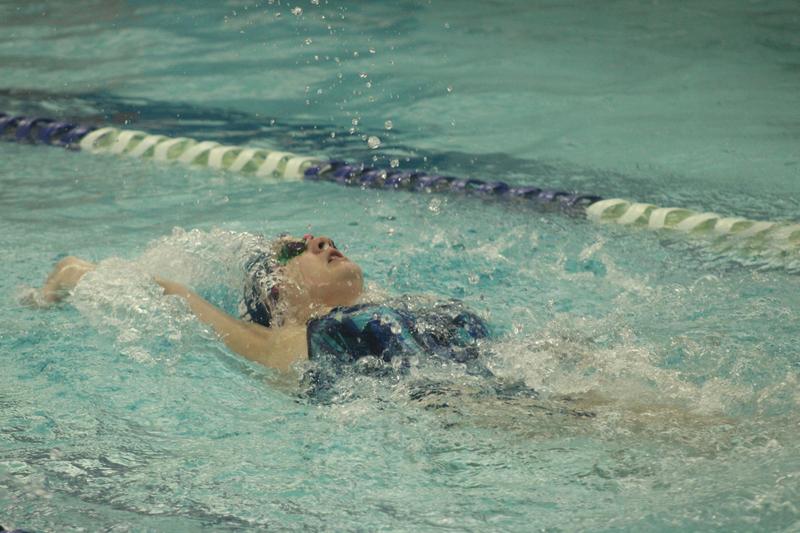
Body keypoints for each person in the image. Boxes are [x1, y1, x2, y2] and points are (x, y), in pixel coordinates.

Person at [38, 234, 492, 383]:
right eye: (299, 249)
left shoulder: (405, 306)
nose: (323, 242)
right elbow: (158, 289)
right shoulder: (275, 340)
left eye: (328, 242)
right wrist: (62, 278)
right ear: (276, 293)